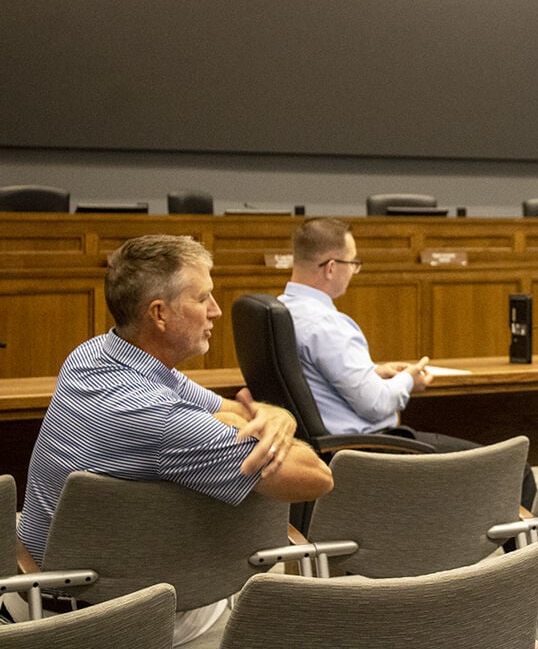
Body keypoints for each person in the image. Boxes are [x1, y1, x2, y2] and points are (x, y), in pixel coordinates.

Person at [17, 234, 333, 645]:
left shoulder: (94, 356)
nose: (216, 310)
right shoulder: (159, 418)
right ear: (159, 314)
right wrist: (267, 422)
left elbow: (235, 411)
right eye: (202, 298)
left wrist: (278, 416)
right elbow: (317, 477)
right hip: (119, 617)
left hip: (55, 585)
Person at [278, 217, 536, 507]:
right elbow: (375, 405)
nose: (354, 271)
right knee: (517, 469)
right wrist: (408, 380)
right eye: (353, 263)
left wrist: (374, 372)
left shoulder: (281, 310)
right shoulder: (326, 325)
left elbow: (311, 377)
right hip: (370, 450)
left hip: (318, 450)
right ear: (331, 267)